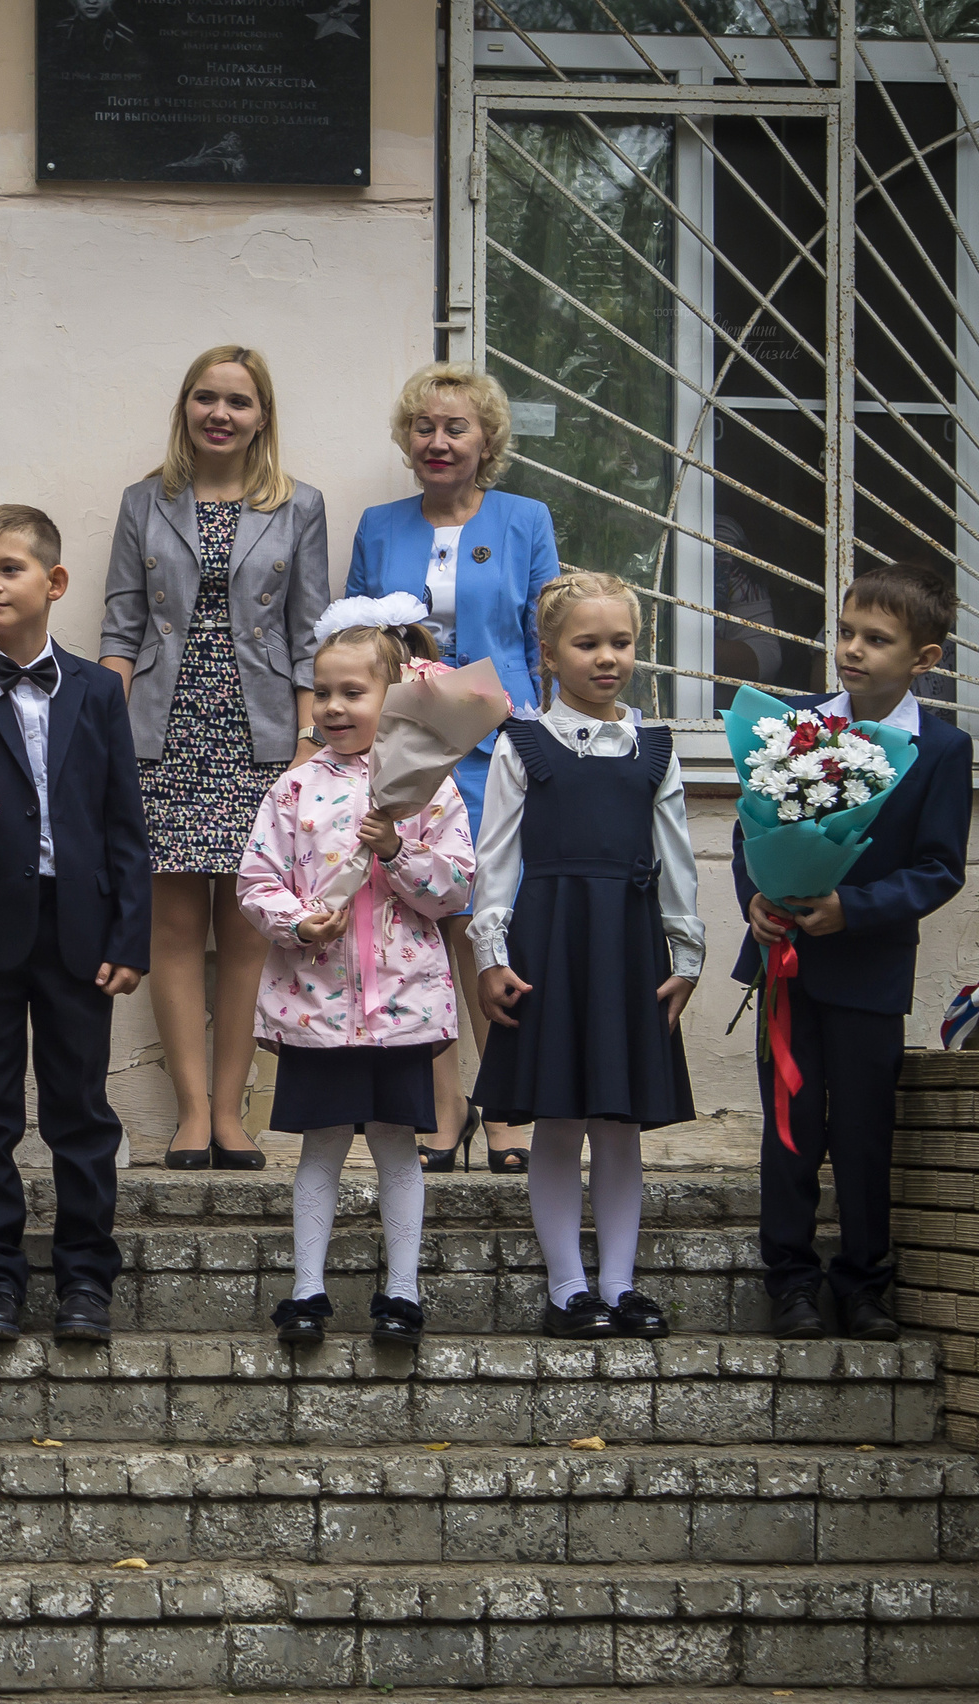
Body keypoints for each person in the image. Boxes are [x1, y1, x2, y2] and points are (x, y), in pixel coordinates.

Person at [0, 505, 150, 1345]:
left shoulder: (95, 689)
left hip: (80, 931)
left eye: (7, 570)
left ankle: (86, 1279)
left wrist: (131, 936)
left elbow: (124, 819)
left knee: (80, 1111)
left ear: (53, 583)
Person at [99, 344, 329, 1170]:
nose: (220, 414)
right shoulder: (144, 503)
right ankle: (191, 1113)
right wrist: (106, 736)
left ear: (262, 414)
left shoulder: (300, 507)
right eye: (205, 398)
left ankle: (233, 1113)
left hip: (259, 737)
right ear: (185, 409)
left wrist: (307, 748)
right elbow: (121, 629)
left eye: (237, 401)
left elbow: (312, 637)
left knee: (245, 932)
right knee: (172, 925)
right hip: (162, 735)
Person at [735, 563, 970, 1343]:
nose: (853, 650)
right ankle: (792, 1283)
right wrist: (758, 901)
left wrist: (853, 908)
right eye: (845, 632)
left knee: (866, 1132)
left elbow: (938, 868)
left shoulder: (938, 749)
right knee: (791, 1128)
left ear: (925, 658)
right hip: (787, 967)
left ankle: (865, 1285)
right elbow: (751, 829)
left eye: (877, 640)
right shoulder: (792, 723)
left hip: (868, 968)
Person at [472, 572, 701, 1342]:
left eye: (622, 642)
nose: (608, 658)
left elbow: (676, 860)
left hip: (628, 945)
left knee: (620, 1120)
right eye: (587, 643)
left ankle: (622, 1284)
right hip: (550, 940)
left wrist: (687, 955)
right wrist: (490, 953)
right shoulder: (522, 744)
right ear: (547, 653)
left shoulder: (656, 747)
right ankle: (569, 1288)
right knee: (560, 1116)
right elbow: (494, 857)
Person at [346, 361, 562, 1173]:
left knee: (491, 932)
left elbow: (549, 635)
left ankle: (505, 1113)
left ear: (487, 441)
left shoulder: (524, 519)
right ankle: (444, 1117)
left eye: (456, 427)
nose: (438, 442)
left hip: (499, 751)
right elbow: (360, 637)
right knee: (422, 931)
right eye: (425, 427)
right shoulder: (379, 524)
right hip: (411, 752)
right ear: (408, 438)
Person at [240, 608, 474, 1354]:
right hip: (317, 1009)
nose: (333, 708)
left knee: (399, 1145)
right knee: (320, 1146)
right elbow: (256, 881)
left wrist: (398, 849)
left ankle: (401, 1291)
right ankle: (306, 1288)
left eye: (352, 693)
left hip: (401, 1008)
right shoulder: (294, 790)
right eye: (321, 693)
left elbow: (455, 889)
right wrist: (299, 923)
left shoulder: (429, 789)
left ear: (393, 697)